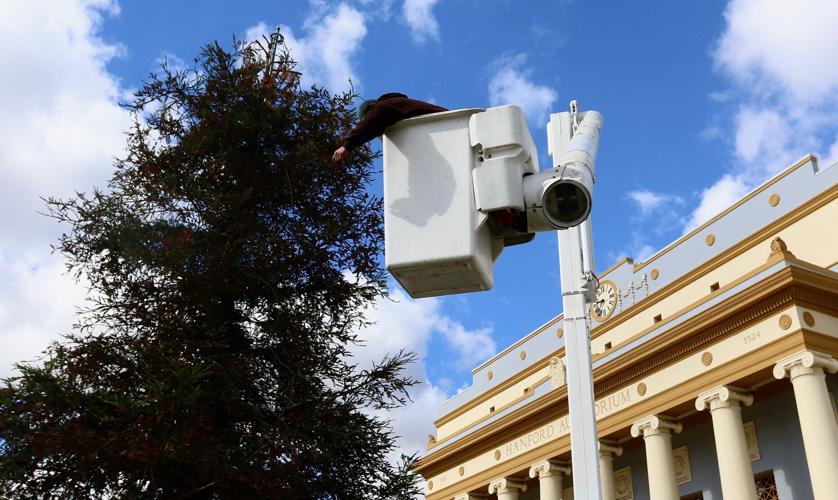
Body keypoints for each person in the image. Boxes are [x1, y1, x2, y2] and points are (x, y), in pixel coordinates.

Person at [332, 93, 448, 165]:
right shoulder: (397, 109)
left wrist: (347, 146)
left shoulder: (380, 107)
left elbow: (371, 122)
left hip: (448, 127)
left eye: (366, 118)